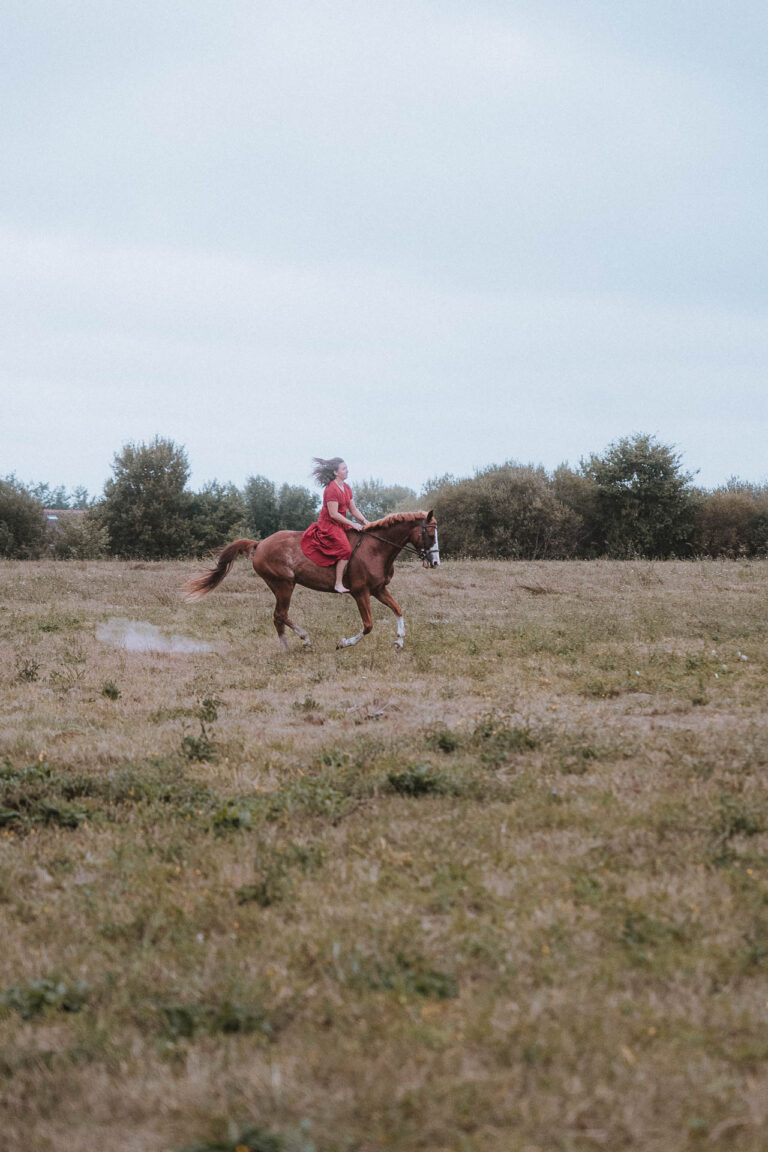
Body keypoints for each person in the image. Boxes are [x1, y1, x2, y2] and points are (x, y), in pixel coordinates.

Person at [301, 457, 369, 592]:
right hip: (329, 524)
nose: (347, 470)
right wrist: (353, 524)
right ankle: (338, 583)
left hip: (341, 523)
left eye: (346, 468)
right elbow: (333, 514)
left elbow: (353, 509)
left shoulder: (346, 488)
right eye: (344, 469)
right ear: (336, 472)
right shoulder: (331, 489)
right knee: (346, 550)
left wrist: (365, 521)